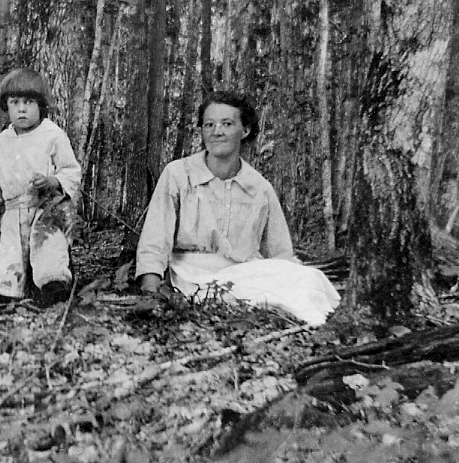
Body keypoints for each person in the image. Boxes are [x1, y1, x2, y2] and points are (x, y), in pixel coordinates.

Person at [135, 92, 339, 325]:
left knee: (310, 278)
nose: (216, 131)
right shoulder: (179, 174)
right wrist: (150, 290)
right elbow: (155, 237)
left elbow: (281, 253)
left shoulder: (259, 187)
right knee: (263, 295)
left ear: (245, 130)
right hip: (193, 275)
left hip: (246, 271)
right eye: (209, 124)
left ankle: (320, 323)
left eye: (227, 124)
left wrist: (289, 275)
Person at [0, 68, 82, 309]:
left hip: (47, 208)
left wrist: (52, 181)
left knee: (49, 253)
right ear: (7, 106)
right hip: (13, 212)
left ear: (41, 105)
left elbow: (71, 171)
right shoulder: (2, 142)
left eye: (29, 102)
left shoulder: (53, 135)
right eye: (15, 103)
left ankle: (56, 302)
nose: (21, 109)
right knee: (8, 261)